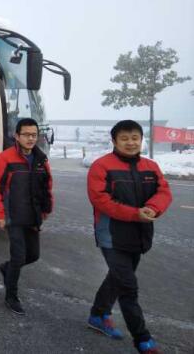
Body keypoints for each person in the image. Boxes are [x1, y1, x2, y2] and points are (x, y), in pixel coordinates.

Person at [86, 120, 172, 354]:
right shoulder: (101, 166)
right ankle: (143, 340)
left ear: (141, 140)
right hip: (111, 236)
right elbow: (100, 200)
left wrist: (153, 208)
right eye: (124, 138)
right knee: (128, 287)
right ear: (114, 141)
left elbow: (163, 191)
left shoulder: (150, 166)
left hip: (139, 234)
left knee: (118, 278)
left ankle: (97, 315)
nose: (130, 142)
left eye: (135, 138)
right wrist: (135, 214)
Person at [0, 117, 53, 315]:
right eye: (26, 134)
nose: (30, 138)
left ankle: (6, 269)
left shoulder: (41, 159)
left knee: (33, 255)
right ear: (17, 136)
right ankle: (11, 296)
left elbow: (46, 186)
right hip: (13, 215)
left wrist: (45, 209)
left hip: (32, 214)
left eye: (34, 135)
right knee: (18, 257)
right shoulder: (6, 158)